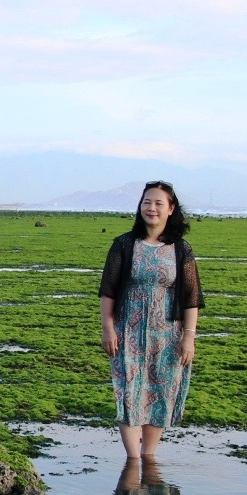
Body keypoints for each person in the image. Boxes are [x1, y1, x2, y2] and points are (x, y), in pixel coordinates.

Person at [97, 181, 203, 461]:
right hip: (127, 331)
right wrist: (108, 328)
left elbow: (192, 297)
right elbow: (107, 290)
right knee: (128, 389)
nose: (151, 208)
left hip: (167, 335)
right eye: (147, 202)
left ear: (171, 209)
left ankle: (149, 456)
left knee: (160, 390)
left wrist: (188, 336)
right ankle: (132, 461)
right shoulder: (124, 245)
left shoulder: (180, 249)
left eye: (158, 203)